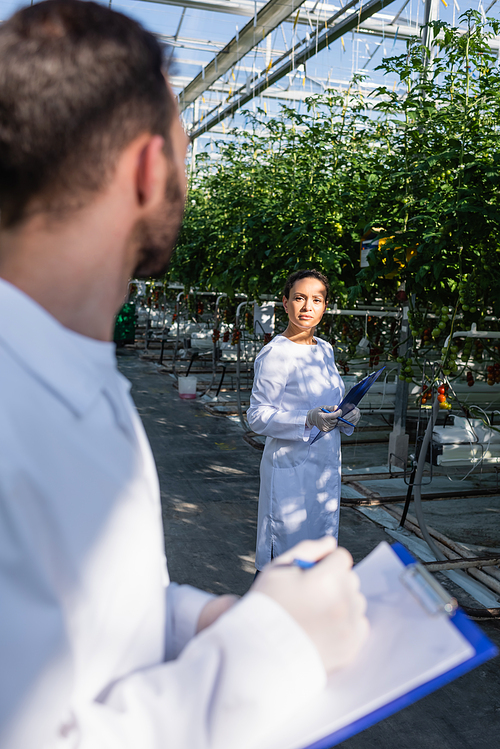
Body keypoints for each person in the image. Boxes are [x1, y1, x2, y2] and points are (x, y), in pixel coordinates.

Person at [0, 3, 369, 748]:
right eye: (185, 145)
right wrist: (275, 652)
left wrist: (205, 618)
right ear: (147, 167)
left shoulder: (83, 379)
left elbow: (103, 612)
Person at [247, 270, 361, 571]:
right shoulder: (275, 354)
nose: (307, 307)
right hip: (289, 471)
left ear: (325, 306)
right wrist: (306, 419)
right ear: (285, 303)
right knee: (285, 561)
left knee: (318, 556)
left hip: (324, 467)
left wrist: (345, 414)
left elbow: (327, 401)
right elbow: (257, 416)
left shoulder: (325, 349)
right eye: (299, 298)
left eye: (316, 299)